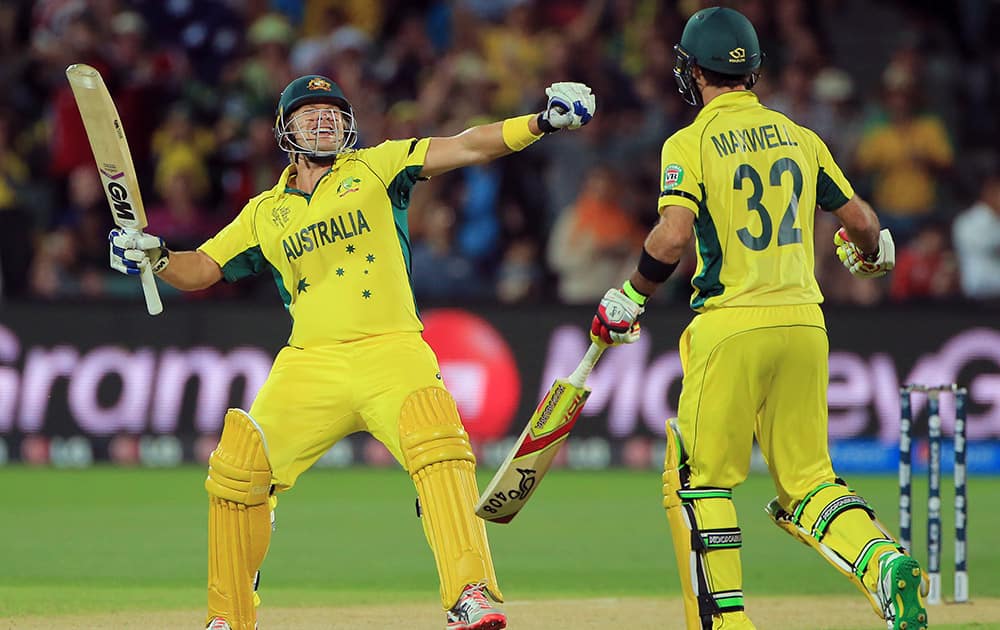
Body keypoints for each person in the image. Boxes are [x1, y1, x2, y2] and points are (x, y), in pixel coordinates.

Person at [109, 74, 596, 630]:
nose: (324, 122)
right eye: (309, 114)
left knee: (437, 444)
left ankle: (470, 594)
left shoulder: (377, 167)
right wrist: (158, 256)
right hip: (310, 362)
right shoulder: (263, 213)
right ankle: (228, 617)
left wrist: (539, 121)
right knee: (240, 467)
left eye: (333, 114)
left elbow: (466, 143)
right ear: (284, 130)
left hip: (393, 350)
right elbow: (202, 267)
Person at [587, 8, 924, 630]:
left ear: (691, 72)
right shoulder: (801, 136)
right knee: (809, 481)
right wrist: (874, 258)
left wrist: (631, 295)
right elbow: (866, 227)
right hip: (805, 323)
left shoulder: (689, 142)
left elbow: (672, 235)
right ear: (755, 70)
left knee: (698, 482)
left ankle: (726, 623)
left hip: (731, 325)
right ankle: (882, 566)